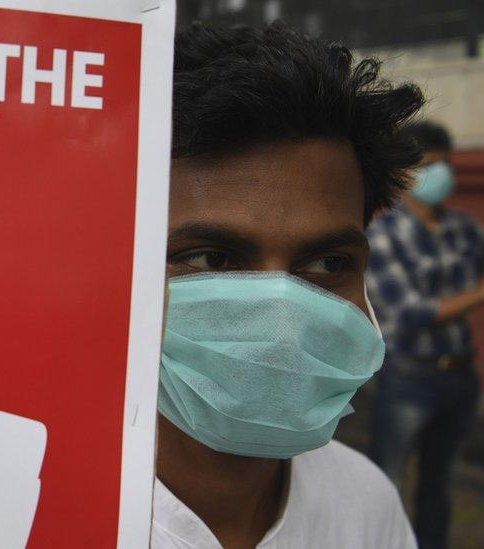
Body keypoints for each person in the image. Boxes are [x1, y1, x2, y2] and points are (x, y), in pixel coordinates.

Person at [152, 22, 421, 548]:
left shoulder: (366, 503)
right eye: (212, 258)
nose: (281, 318)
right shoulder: (11, 511)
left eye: (327, 262)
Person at [365, 121, 484, 549]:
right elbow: (413, 312)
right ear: (407, 174)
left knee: (440, 485)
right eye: (431, 166)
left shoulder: (464, 229)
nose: (444, 175)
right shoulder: (382, 237)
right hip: (410, 377)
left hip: (460, 375)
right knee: (386, 482)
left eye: (447, 164)